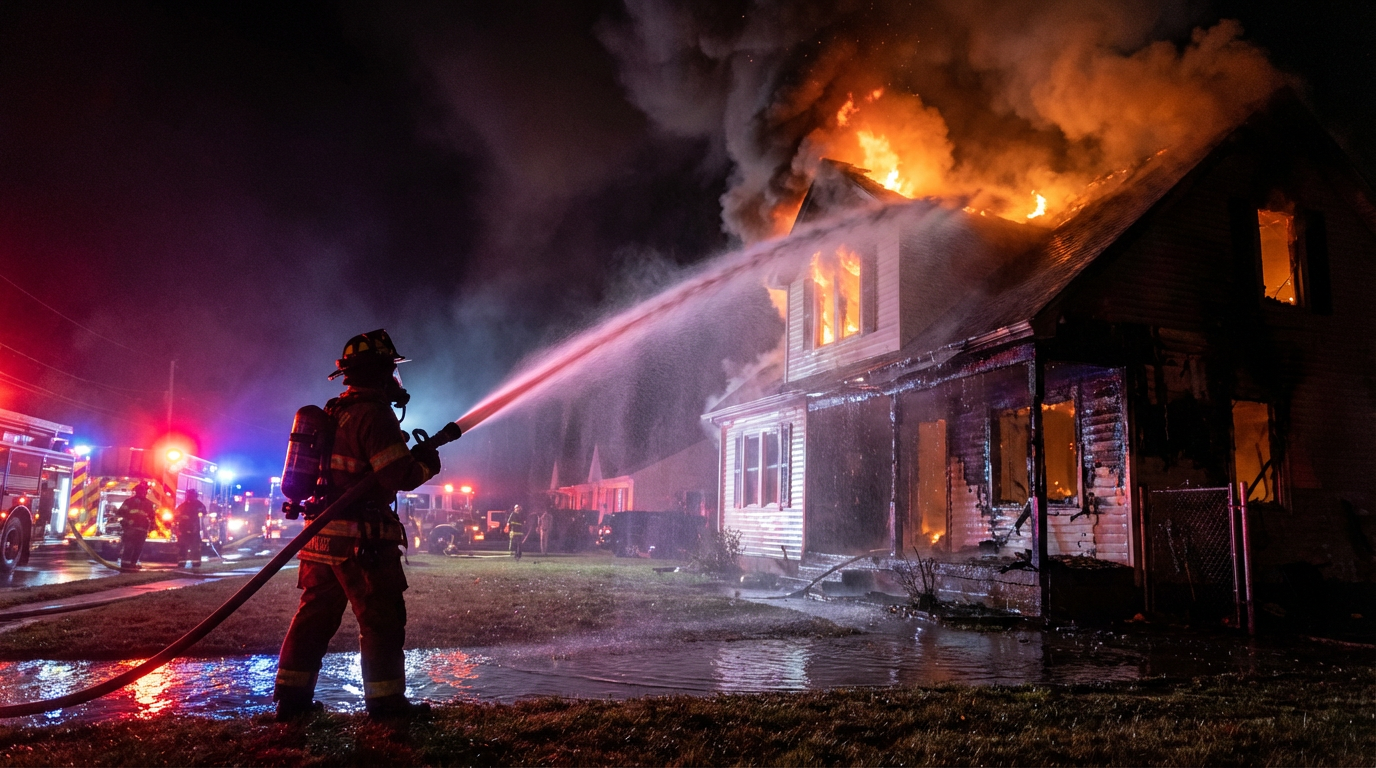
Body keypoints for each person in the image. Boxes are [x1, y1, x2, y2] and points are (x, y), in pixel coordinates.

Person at [273, 329, 440, 721]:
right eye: (391, 370)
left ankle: (291, 701)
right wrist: (427, 464)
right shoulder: (373, 414)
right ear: (381, 372)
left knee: (313, 617)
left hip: (320, 538)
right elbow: (397, 474)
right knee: (382, 621)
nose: (395, 379)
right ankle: (387, 705)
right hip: (362, 543)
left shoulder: (334, 411)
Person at [114, 481, 155, 571]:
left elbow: (120, 513)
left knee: (131, 546)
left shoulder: (129, 501)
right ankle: (131, 564)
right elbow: (152, 517)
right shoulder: (149, 503)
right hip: (140, 529)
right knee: (137, 547)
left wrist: (125, 521)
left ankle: (127, 564)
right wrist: (152, 527)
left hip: (132, 528)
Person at [174, 488, 207, 568]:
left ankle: (195, 563)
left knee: (195, 547)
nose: (190, 497)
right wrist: (181, 517)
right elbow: (176, 515)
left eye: (191, 495)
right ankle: (182, 562)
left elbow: (204, 513)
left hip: (194, 529)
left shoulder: (199, 505)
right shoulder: (183, 505)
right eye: (189, 495)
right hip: (184, 529)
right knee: (183, 546)